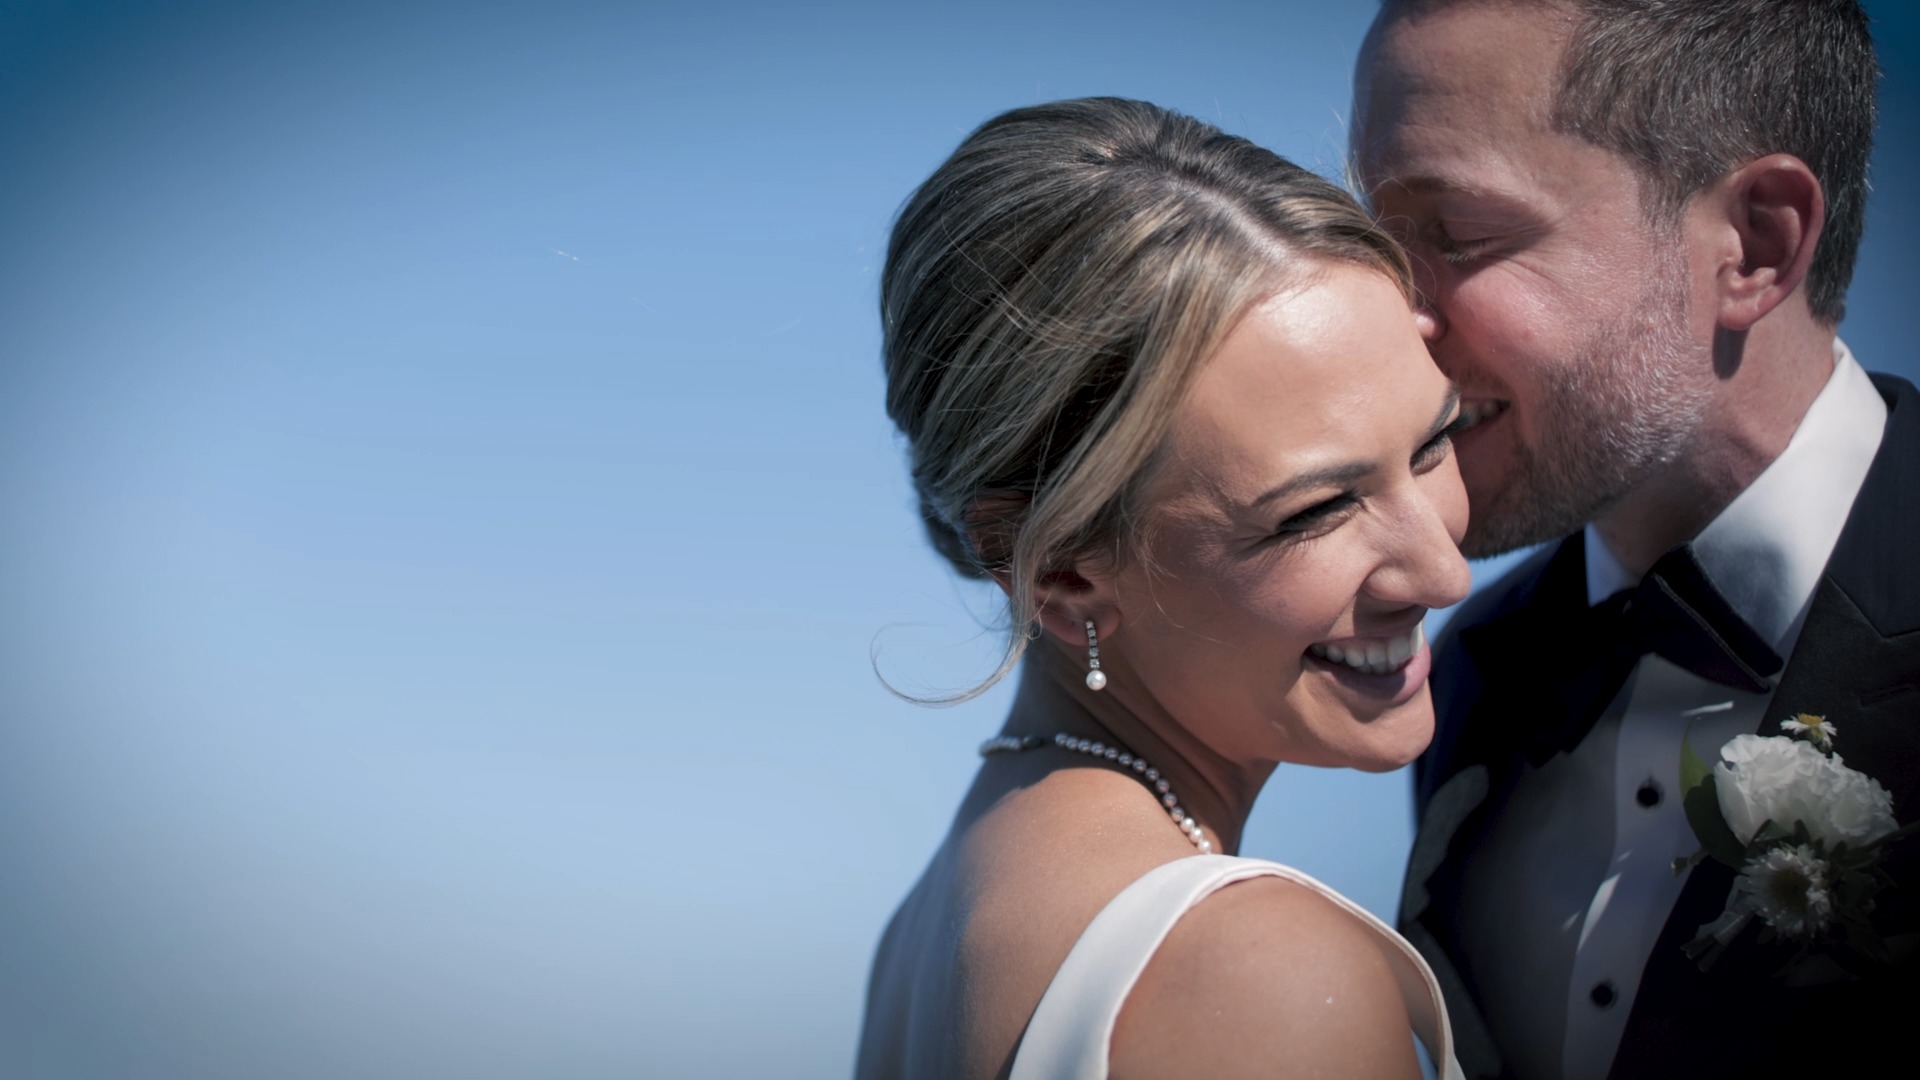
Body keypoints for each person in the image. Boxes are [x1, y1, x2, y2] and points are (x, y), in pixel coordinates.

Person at [1351, 1, 1919, 1077]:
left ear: (1755, 244)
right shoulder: (1470, 670)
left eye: (1458, 237)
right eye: (1372, 244)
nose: (1391, 316)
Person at [854, 97, 1472, 1079]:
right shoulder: (1261, 975)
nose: (1444, 571)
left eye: (1436, 441)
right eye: (1315, 511)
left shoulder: (926, 936)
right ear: (1062, 572)